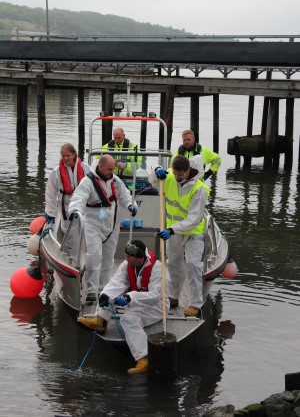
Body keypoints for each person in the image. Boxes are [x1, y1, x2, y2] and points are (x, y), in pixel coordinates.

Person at [78, 239, 167, 374]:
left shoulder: (157, 268)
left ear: (140, 258)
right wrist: (105, 295)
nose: (126, 259)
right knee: (109, 296)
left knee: (128, 319)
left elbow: (155, 296)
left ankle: (143, 358)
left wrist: (130, 297)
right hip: (136, 299)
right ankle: (100, 320)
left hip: (156, 306)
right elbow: (117, 282)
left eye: (129, 256)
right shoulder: (127, 264)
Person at [68, 154, 138, 304]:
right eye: (109, 169)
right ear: (100, 167)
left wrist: (131, 206)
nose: (111, 172)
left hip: (111, 225)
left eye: (113, 169)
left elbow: (125, 195)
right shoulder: (87, 182)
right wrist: (74, 210)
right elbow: (78, 198)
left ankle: (103, 289)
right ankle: (91, 290)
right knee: (94, 256)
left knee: (108, 259)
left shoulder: (115, 180)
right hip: (93, 224)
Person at [150, 155, 210, 317]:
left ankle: (195, 304)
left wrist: (172, 230)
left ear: (188, 170)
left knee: (192, 266)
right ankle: (173, 296)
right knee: (173, 264)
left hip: (192, 233)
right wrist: (157, 171)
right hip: (173, 231)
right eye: (175, 174)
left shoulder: (199, 189)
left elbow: (194, 219)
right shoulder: (169, 178)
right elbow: (153, 181)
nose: (177, 178)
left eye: (180, 175)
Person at [45, 142, 90, 231]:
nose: (65, 158)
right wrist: (50, 212)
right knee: (67, 228)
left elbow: (93, 185)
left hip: (82, 201)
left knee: (83, 225)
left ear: (74, 155)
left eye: (68, 155)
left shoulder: (85, 168)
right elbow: (50, 192)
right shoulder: (56, 171)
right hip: (65, 203)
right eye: (63, 156)